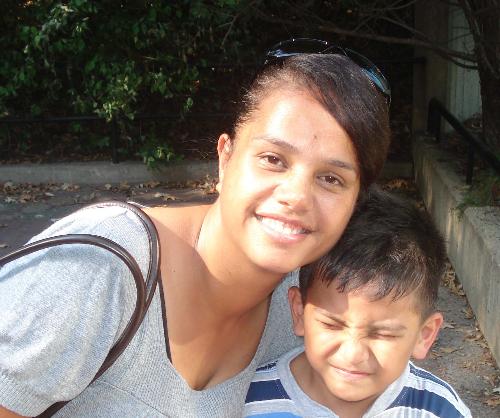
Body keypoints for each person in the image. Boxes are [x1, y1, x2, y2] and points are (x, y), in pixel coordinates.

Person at [0, 39, 391, 417]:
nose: (297, 196)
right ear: (225, 158)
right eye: (273, 159)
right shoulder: (98, 268)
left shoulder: (307, 314)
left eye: (330, 179)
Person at [244, 188, 472, 418]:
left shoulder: (439, 410)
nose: (353, 354)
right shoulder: (249, 403)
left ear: (424, 335)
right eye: (331, 325)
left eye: (383, 334)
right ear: (300, 312)